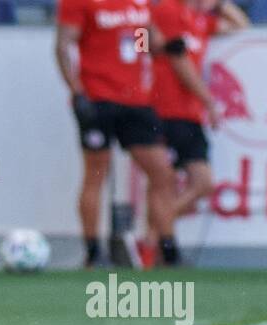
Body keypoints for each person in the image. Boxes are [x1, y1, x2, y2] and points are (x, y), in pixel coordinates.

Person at [55, 0, 176, 269]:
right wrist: (76, 91)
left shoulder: (140, 2)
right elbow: (63, 45)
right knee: (96, 173)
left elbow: (148, 39)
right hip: (98, 97)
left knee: (161, 172)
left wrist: (166, 45)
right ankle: (93, 251)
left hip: (136, 100)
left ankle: (168, 250)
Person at [152, 0, 249, 263]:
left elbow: (240, 24)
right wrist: (208, 101)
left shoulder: (200, 20)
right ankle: (162, 242)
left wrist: (220, 5)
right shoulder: (168, 11)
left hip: (189, 113)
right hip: (166, 109)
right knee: (165, 181)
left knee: (203, 183)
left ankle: (159, 230)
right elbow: (178, 60)